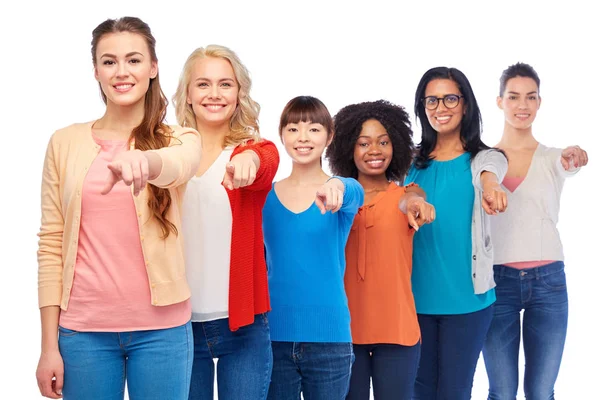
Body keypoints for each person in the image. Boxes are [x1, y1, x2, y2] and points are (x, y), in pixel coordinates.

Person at [35, 17, 202, 400]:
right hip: (83, 334)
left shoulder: (179, 138)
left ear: (153, 68)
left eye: (134, 60)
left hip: (163, 332)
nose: (121, 72)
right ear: (95, 70)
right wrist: (48, 346)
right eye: (109, 61)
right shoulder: (64, 142)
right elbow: (51, 244)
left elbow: (181, 164)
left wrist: (147, 163)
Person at [172, 44, 279, 400]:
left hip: (244, 325)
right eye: (203, 84)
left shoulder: (254, 149)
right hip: (178, 325)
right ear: (187, 94)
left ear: (239, 93)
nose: (214, 94)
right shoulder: (170, 153)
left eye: (225, 84)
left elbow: (265, 162)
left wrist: (248, 157)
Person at [482, 62, 588, 400]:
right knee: (502, 391)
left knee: (542, 392)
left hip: (549, 284)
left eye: (531, 97)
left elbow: (570, 161)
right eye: (513, 96)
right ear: (500, 101)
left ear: (540, 102)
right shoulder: (483, 161)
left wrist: (576, 155)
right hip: (496, 283)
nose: (522, 105)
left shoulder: (553, 158)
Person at [406, 67, 508, 399]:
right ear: (422, 107)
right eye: (431, 100)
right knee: (420, 390)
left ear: (465, 104)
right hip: (415, 301)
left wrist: (492, 188)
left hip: (469, 301)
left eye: (450, 98)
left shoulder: (483, 159)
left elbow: (491, 172)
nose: (440, 107)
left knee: (454, 391)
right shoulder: (409, 161)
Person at [326, 99, 435, 400]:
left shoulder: (404, 196)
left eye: (383, 142)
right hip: (345, 333)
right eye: (363, 143)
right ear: (349, 148)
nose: (375, 150)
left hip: (397, 330)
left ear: (396, 146)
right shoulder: (337, 197)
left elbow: (412, 197)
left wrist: (417, 203)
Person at [262, 96, 364, 400]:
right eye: (293, 129)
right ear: (281, 135)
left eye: (314, 129)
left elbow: (355, 192)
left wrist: (338, 186)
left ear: (329, 136)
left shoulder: (340, 191)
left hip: (330, 340)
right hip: (272, 338)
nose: (303, 138)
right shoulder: (265, 197)